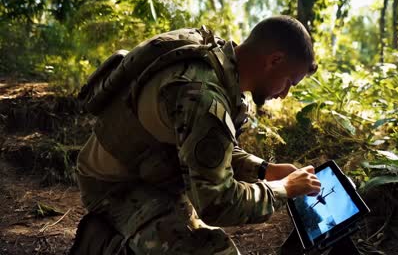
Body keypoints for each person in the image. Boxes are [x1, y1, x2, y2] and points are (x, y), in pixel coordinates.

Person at [71, 15, 321, 255]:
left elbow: (205, 145)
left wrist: (265, 170)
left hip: (146, 173)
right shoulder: (202, 94)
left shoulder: (217, 60)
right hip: (114, 185)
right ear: (274, 60)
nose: (285, 93)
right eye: (290, 82)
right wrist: (283, 188)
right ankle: (104, 245)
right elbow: (217, 203)